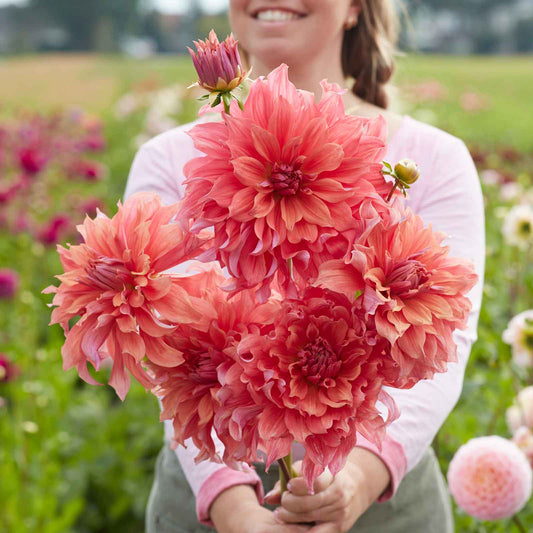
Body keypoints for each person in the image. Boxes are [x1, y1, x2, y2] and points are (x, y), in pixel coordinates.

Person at [124, 1, 485, 531]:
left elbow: (443, 348)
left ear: (355, 9)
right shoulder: (168, 158)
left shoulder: (434, 159)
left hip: (380, 491)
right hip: (214, 485)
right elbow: (170, 361)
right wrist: (235, 509)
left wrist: (357, 481)